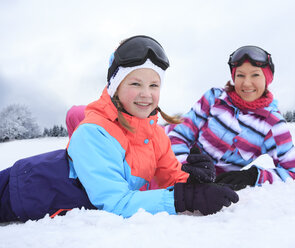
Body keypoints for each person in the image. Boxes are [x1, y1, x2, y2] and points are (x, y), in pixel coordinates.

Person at [0, 35, 239, 223]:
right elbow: (116, 203)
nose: (146, 94)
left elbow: (169, 177)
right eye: (135, 83)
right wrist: (186, 198)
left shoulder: (155, 134)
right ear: (115, 87)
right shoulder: (95, 132)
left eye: (154, 84)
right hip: (17, 191)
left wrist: (195, 180)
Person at [166, 45, 295, 190]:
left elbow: (294, 174)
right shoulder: (215, 97)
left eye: (255, 75)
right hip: (164, 151)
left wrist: (251, 176)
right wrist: (186, 168)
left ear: (267, 79)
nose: (246, 83)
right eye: (240, 75)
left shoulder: (272, 124)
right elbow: (179, 135)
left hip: (209, 182)